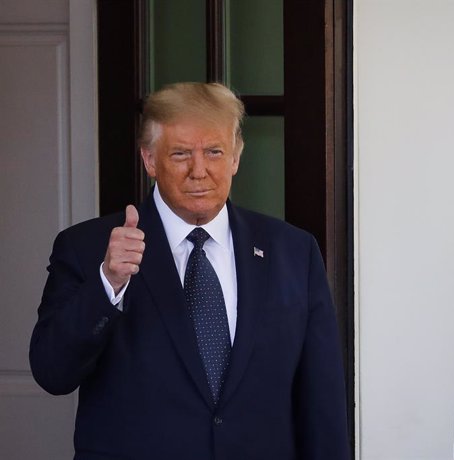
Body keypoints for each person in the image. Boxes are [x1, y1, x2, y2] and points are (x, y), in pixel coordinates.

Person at [30, 82, 349, 459]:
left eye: (214, 152)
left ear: (235, 158)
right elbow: (53, 373)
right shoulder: (88, 248)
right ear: (149, 160)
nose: (199, 171)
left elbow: (322, 400)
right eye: (181, 154)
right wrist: (108, 283)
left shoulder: (293, 251)